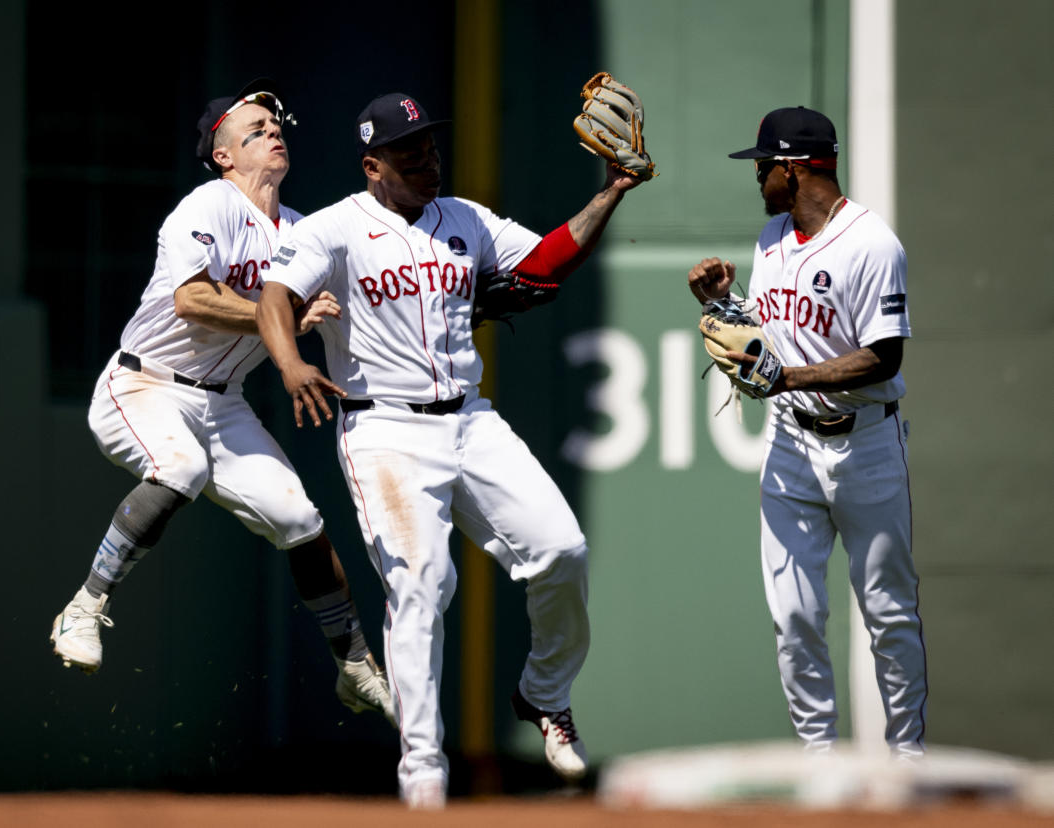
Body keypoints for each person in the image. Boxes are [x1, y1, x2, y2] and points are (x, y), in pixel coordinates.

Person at [256, 91, 643, 808]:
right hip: (385, 432)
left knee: (562, 550)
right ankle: (423, 776)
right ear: (373, 165)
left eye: (430, 147)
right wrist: (288, 362)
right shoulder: (335, 228)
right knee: (422, 588)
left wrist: (612, 191)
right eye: (409, 153)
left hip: (470, 420)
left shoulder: (464, 217)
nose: (428, 161)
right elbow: (274, 298)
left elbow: (545, 265)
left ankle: (544, 695)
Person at [48, 78, 395, 728]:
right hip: (145, 384)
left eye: (275, 124)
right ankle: (86, 606)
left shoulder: (300, 230)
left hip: (223, 405)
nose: (273, 131)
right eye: (254, 128)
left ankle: (353, 665)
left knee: (300, 519)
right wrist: (286, 314)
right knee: (180, 468)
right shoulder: (207, 205)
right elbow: (193, 300)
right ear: (224, 154)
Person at [687, 106, 926, 757]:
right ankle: (819, 764)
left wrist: (786, 378)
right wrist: (718, 305)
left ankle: (905, 761)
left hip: (867, 444)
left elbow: (885, 356)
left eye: (763, 164)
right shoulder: (770, 238)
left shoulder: (871, 244)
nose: (756, 174)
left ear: (795, 168)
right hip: (790, 444)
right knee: (794, 616)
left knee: (888, 614)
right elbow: (768, 343)